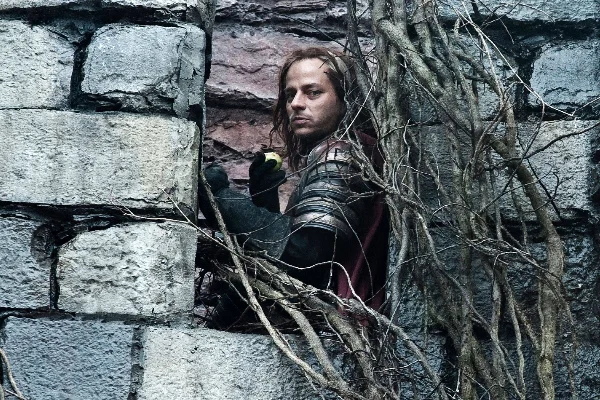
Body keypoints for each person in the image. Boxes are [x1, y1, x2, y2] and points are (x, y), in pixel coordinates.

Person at [199, 47, 388, 326]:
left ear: (346, 99)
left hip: (336, 325)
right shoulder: (352, 150)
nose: (297, 104)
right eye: (290, 95)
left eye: (313, 93)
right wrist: (264, 200)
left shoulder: (341, 153)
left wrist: (220, 197)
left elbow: (306, 256)